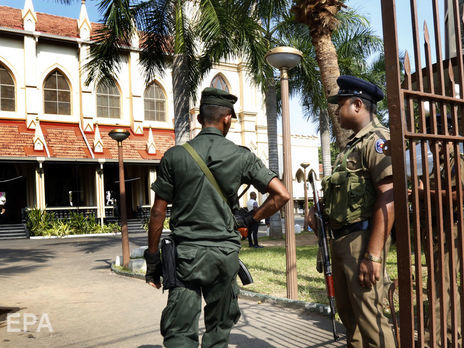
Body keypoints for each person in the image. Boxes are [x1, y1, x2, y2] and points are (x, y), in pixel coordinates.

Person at [144, 87, 290, 348]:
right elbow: (281, 195)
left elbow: (158, 212)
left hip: (185, 257)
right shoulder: (242, 156)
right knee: (219, 331)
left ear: (199, 119)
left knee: (179, 332)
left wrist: (153, 261)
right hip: (224, 256)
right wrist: (249, 219)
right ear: (227, 119)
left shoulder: (174, 156)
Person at [309, 75, 395, 347]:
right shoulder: (350, 148)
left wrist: (373, 254)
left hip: (363, 242)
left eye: (341, 104)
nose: (336, 110)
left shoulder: (378, 141)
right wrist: (318, 209)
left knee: (371, 322)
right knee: (351, 322)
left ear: (358, 104)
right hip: (342, 242)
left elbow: (388, 198)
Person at [419, 115, 463, 347]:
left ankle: (431, 342)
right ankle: (450, 335)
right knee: (442, 286)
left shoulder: (458, 162)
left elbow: (459, 196)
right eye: (427, 138)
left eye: (434, 137)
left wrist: (426, 193)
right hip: (435, 230)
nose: (431, 143)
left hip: (451, 230)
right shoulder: (438, 165)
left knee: (439, 287)